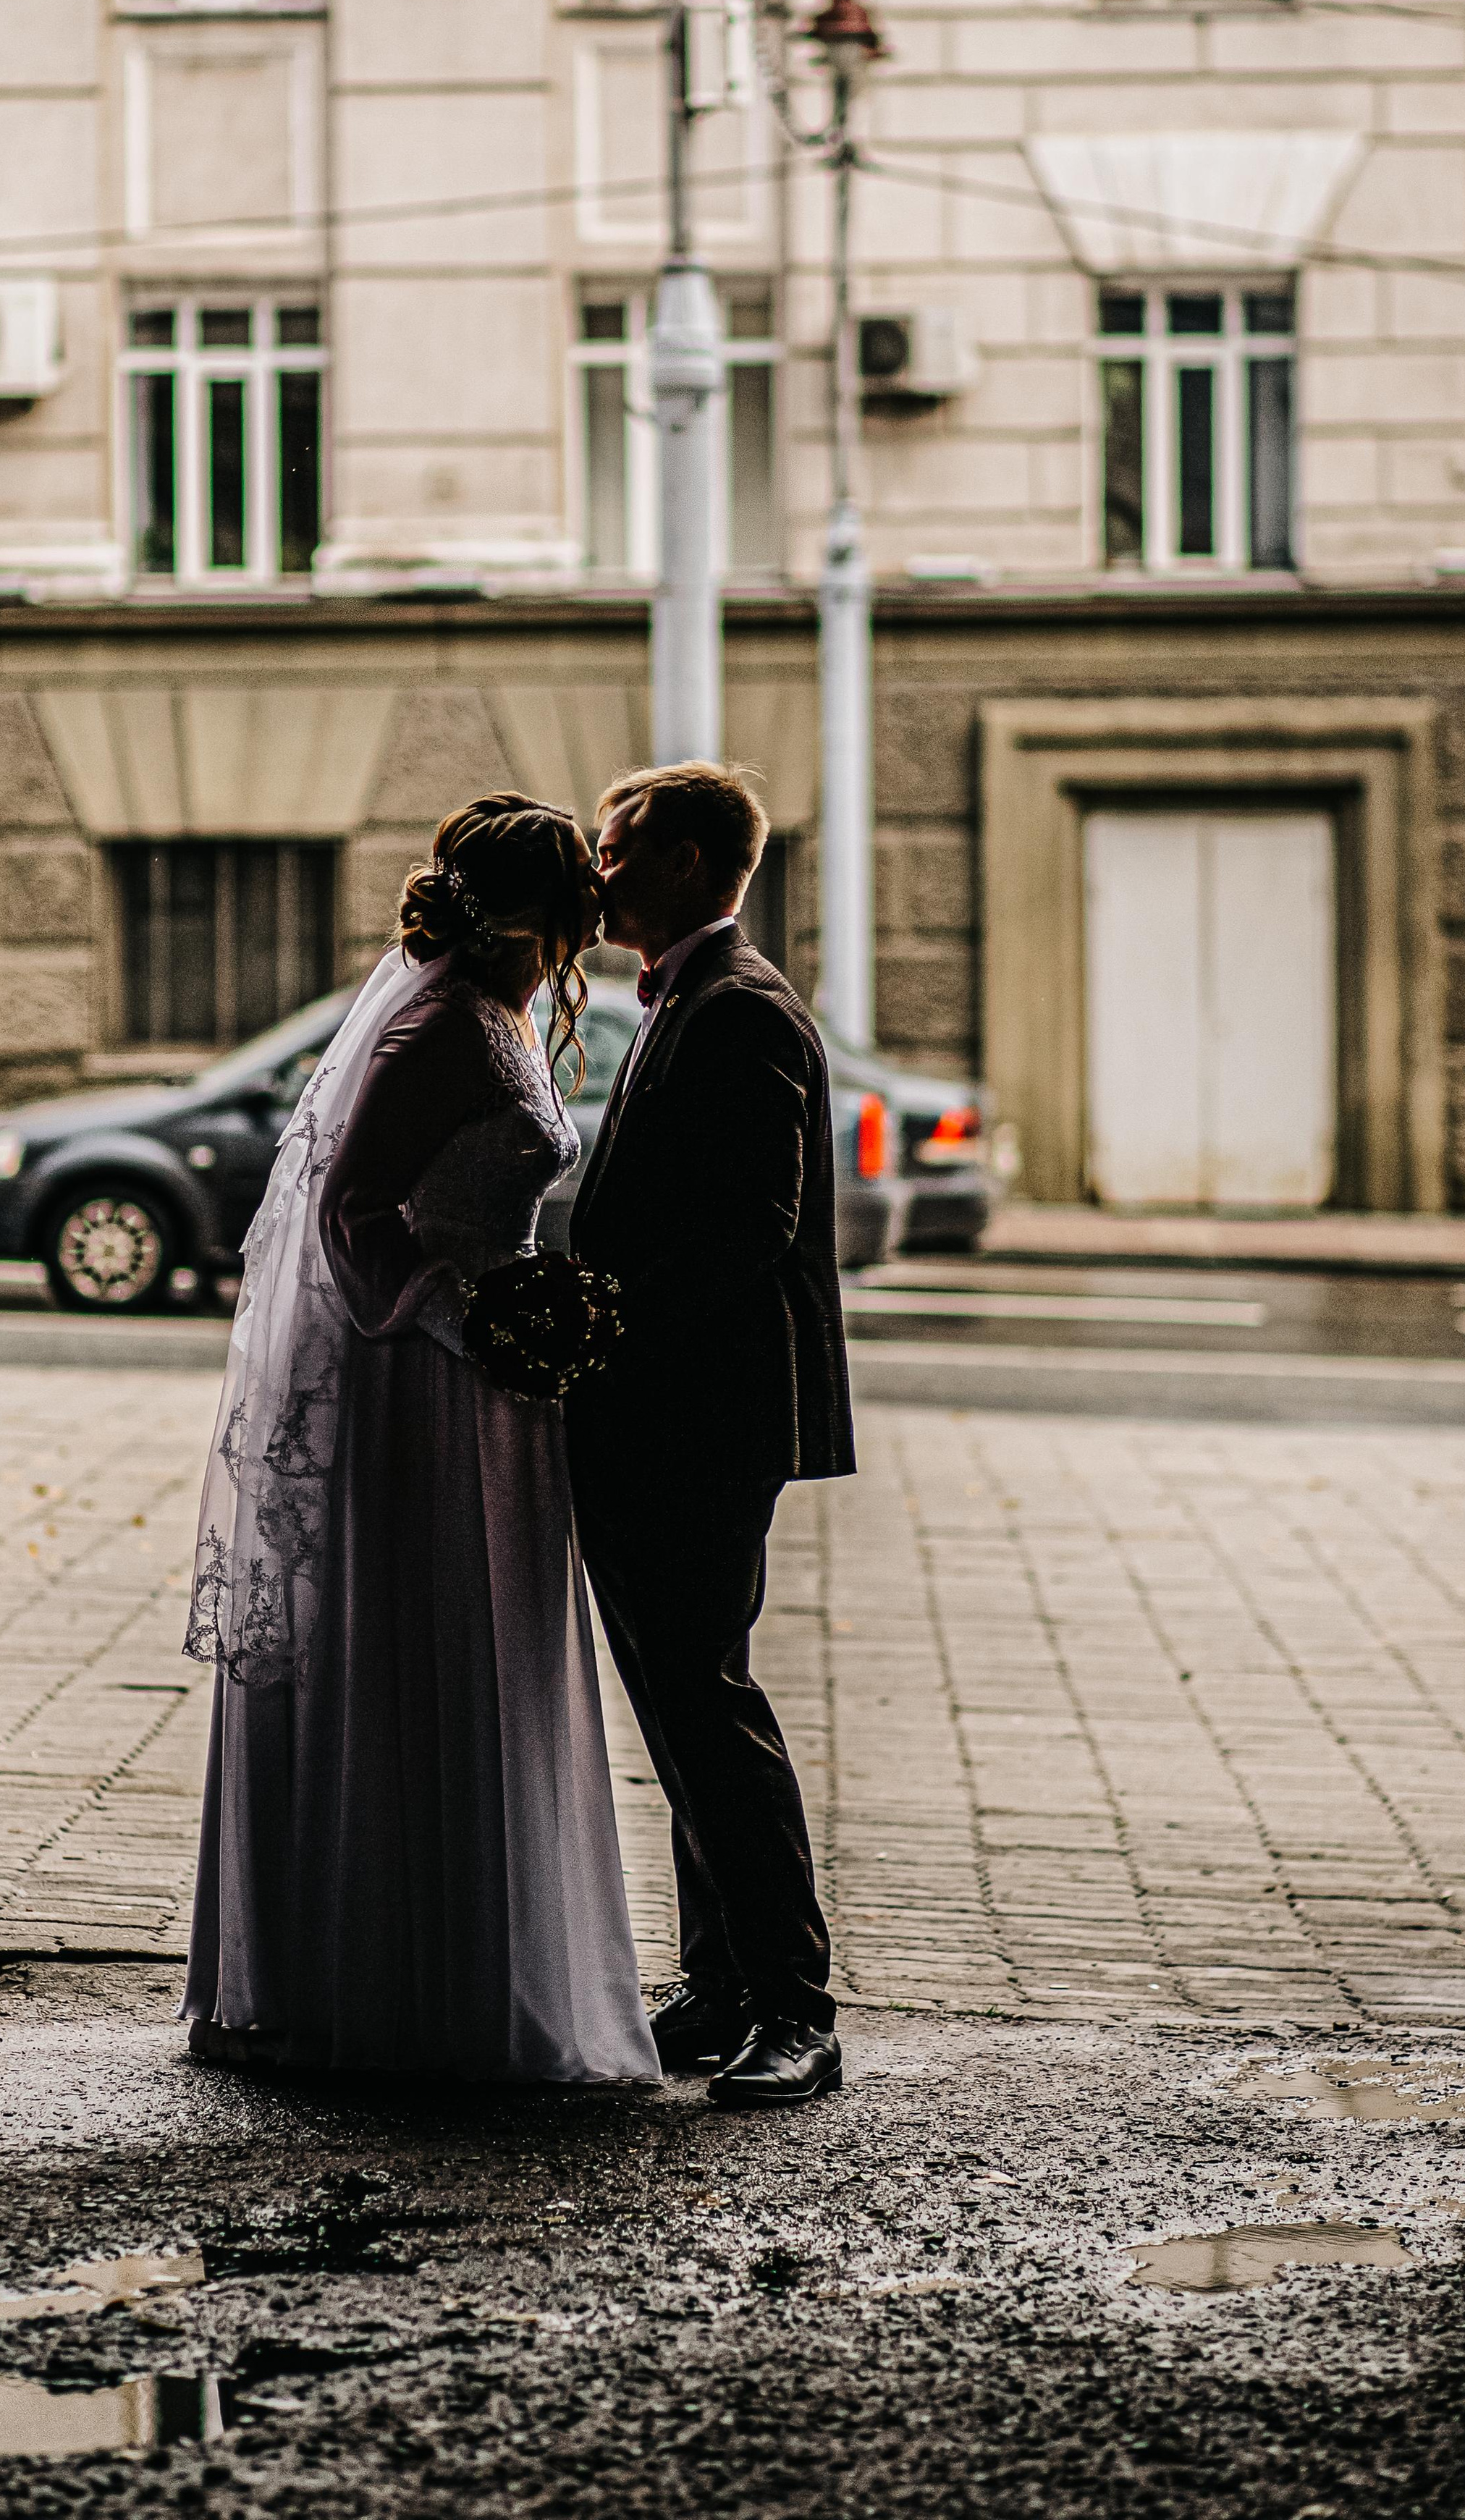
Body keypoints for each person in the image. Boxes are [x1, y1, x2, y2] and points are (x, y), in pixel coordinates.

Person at [180, 792, 659, 2086]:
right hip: (424, 1384)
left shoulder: (497, 1015)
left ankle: (478, 1965)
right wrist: (471, 1316)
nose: (602, 913)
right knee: (428, 1651)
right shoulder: (442, 1022)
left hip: (489, 1385)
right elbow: (350, 1211)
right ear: (540, 911)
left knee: (481, 1646)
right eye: (585, 891)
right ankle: (400, 1985)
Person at [566, 761, 856, 2108]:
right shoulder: (695, 994)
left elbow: (744, 1234)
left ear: (687, 862)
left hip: (695, 1418)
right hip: (665, 1413)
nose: (599, 869)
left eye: (618, 849)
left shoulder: (737, 1011)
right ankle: (725, 1986)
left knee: (706, 1707)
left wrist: (593, 1322)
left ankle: (797, 2006)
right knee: (684, 1706)